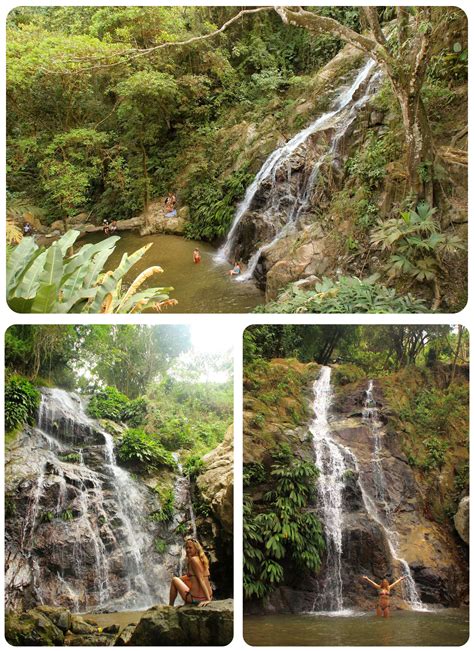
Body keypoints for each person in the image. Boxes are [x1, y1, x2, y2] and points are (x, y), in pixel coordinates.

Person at [169, 538, 213, 607]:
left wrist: (208, 600)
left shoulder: (193, 560)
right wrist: (180, 579)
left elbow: (201, 579)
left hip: (196, 599)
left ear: (196, 548)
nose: (188, 550)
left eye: (190, 548)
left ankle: (170, 607)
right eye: (186, 548)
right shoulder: (202, 559)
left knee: (174, 580)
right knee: (185, 579)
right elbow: (193, 576)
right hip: (208, 595)